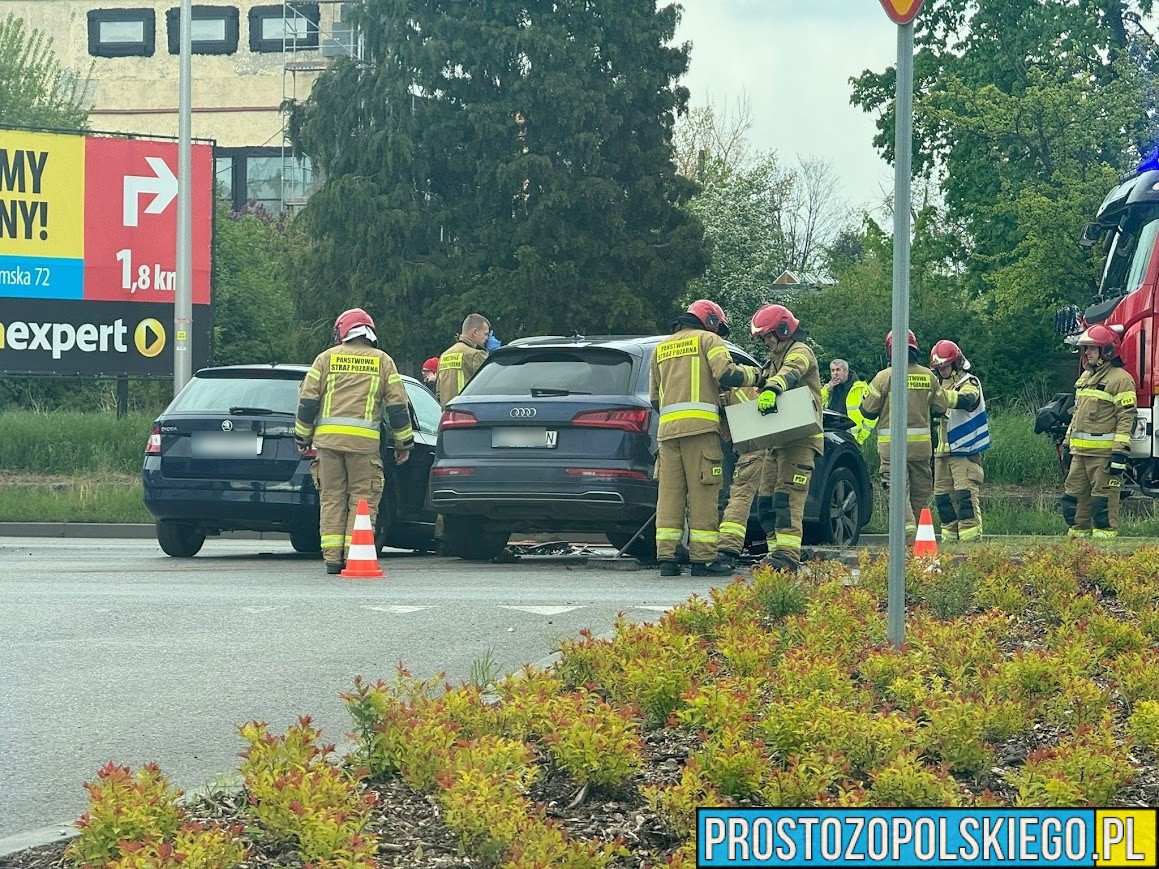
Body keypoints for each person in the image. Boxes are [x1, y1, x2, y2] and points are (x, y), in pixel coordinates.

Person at [295, 308, 413, 574]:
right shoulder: (383, 361)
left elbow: (307, 402)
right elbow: (397, 406)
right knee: (362, 499)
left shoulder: (325, 359)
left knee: (332, 498)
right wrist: (403, 444)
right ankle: (354, 555)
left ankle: (332, 559)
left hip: (328, 444)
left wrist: (303, 437)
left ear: (341, 332)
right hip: (364, 447)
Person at [650, 299, 761, 577]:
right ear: (711, 322)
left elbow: (654, 398)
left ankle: (667, 558)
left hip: (667, 434)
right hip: (700, 431)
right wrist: (758, 376)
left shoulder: (661, 348)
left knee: (670, 494)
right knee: (704, 492)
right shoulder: (708, 341)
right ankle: (704, 560)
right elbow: (727, 374)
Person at [752, 304, 824, 573]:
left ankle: (788, 556)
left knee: (787, 498)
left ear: (783, 329)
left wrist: (772, 387)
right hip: (779, 439)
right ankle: (775, 557)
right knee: (767, 503)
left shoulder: (800, 352)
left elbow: (791, 373)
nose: (766, 342)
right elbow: (764, 376)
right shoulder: (774, 359)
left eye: (768, 336)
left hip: (802, 439)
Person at [859, 329, 948, 544]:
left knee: (899, 495)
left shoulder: (884, 377)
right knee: (920, 495)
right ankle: (921, 538)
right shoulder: (929, 376)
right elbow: (940, 407)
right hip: (921, 449)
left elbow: (867, 410)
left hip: (892, 449)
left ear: (890, 351)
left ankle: (907, 538)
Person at [1060, 324, 1137, 539]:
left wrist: (1119, 453)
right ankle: (1077, 543)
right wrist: (1068, 445)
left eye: (1092, 348)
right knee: (1073, 500)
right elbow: (1077, 416)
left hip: (1103, 456)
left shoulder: (1120, 379)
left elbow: (1125, 418)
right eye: (1086, 348)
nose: (1087, 353)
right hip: (1079, 455)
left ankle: (1105, 547)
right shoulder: (1085, 378)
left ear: (1108, 351)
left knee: (1102, 503)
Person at [930, 339, 989, 542]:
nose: (942, 370)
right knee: (942, 498)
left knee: (965, 496)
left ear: (955, 363)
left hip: (964, 451)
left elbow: (967, 400)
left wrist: (937, 397)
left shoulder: (969, 382)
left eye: (945, 366)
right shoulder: (938, 385)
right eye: (939, 367)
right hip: (942, 453)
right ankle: (949, 539)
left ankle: (970, 539)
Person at [715, 385, 763, 562]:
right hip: (760, 447)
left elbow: (726, 435)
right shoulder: (746, 390)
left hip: (752, 448)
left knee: (738, 494)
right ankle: (728, 547)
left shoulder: (727, 395)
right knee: (744, 494)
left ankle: (725, 547)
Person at [438, 313, 491, 408]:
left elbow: (438, 391)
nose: (487, 338)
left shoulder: (444, 355)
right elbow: (488, 386)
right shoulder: (476, 355)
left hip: (447, 414)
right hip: (468, 412)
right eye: (486, 334)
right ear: (475, 332)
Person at [821, 358, 875, 444]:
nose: (835, 373)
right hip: (831, 431)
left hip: (850, 433)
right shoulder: (829, 388)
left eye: (838, 370)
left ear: (846, 371)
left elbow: (871, 415)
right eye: (832, 370)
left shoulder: (860, 388)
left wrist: (861, 438)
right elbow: (817, 404)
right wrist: (827, 389)